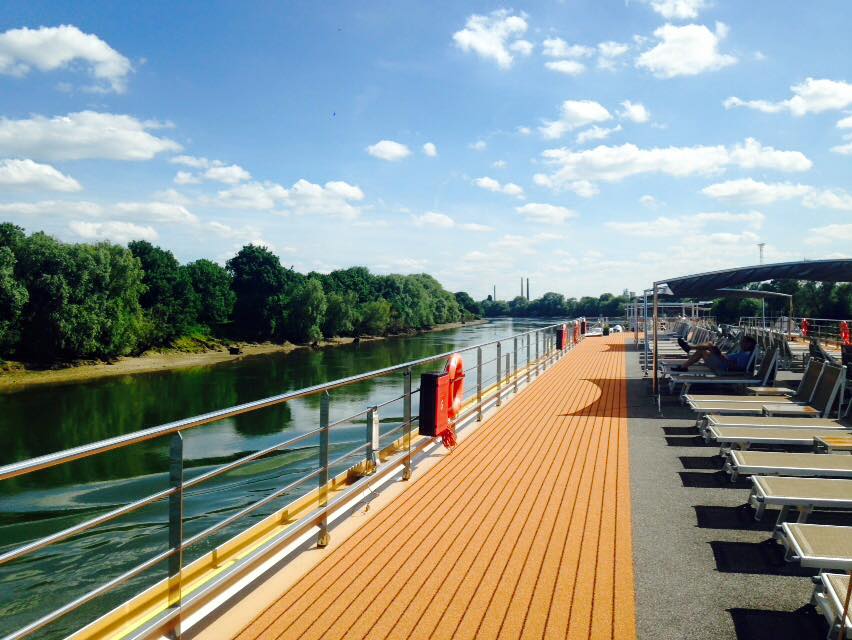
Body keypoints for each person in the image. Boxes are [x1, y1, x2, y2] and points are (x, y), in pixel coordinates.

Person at [670, 335, 756, 373]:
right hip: (720, 362)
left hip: (722, 366)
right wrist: (720, 355)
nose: (741, 343)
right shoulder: (743, 352)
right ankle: (684, 364)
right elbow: (730, 359)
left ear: (749, 344)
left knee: (709, 345)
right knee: (705, 348)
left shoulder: (746, 355)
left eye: (743, 342)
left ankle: (689, 348)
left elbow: (735, 367)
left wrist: (720, 356)